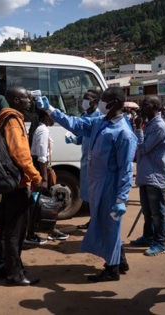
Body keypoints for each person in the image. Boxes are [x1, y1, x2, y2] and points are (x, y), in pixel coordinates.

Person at [36, 87, 137, 282]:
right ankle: (119, 261)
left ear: (114, 103)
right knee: (106, 225)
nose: (99, 103)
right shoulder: (100, 122)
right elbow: (76, 124)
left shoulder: (123, 132)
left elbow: (126, 169)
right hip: (98, 184)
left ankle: (112, 268)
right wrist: (51, 111)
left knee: (110, 227)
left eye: (104, 100)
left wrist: (121, 198)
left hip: (111, 186)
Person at [0, 86, 42, 286]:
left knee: (6, 228)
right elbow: (20, 154)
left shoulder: (6, 118)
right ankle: (15, 273)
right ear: (14, 100)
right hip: (18, 183)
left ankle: (3, 267)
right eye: (25, 98)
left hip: (9, 183)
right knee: (15, 231)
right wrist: (36, 176)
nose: (29, 101)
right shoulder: (14, 121)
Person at [129, 95, 165, 256]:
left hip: (155, 175)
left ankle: (160, 242)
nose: (141, 108)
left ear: (155, 107)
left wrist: (138, 129)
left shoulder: (159, 126)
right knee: (147, 210)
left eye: (145, 105)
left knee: (157, 212)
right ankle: (148, 236)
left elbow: (143, 148)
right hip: (146, 174)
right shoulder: (149, 123)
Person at [25, 109, 69, 245]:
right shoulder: (43, 130)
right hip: (40, 170)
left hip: (39, 169)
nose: (55, 119)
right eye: (53, 116)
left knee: (38, 203)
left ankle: (48, 229)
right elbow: (42, 157)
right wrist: (44, 178)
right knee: (38, 204)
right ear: (45, 116)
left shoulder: (39, 128)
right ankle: (32, 234)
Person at [65, 90, 103, 230]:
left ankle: (97, 222)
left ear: (95, 101)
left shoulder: (99, 117)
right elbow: (82, 137)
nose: (84, 102)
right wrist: (74, 140)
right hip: (86, 160)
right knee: (89, 193)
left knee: (96, 195)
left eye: (88, 99)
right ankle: (93, 220)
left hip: (95, 161)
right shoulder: (85, 115)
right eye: (84, 99)